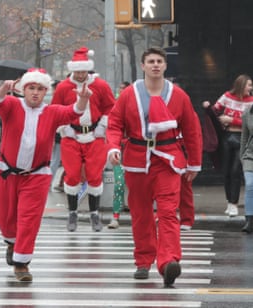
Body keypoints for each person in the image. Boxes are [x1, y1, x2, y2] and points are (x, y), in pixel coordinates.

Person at [107, 47, 202, 287]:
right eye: (151, 61)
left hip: (167, 159)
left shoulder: (179, 95)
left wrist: (194, 163)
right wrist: (113, 147)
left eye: (160, 61)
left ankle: (168, 261)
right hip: (137, 160)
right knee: (141, 214)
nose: (156, 65)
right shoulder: (129, 94)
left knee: (169, 212)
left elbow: (191, 130)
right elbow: (115, 123)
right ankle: (143, 260)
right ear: (143, 65)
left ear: (165, 66)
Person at [0, 68, 90, 282]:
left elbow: (73, 112)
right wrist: (3, 89)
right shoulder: (12, 105)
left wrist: (82, 100)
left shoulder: (52, 112)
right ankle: (11, 242)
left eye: (40, 89)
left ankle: (22, 263)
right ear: (24, 90)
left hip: (37, 175)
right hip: (8, 172)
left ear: (45, 91)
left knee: (29, 219)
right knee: (6, 218)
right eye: (31, 88)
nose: (35, 93)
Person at [51, 46, 115, 232]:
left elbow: (111, 107)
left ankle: (94, 214)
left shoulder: (100, 86)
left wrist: (103, 126)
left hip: (95, 136)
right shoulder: (63, 87)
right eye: (77, 71)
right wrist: (64, 128)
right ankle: (72, 213)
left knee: (95, 176)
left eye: (83, 71)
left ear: (88, 69)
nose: (80, 74)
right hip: (71, 136)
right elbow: (55, 110)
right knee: (71, 176)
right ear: (72, 70)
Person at [203, 74, 253, 217]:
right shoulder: (227, 96)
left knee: (235, 171)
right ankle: (229, 202)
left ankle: (234, 203)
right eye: (249, 85)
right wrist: (207, 107)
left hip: (242, 138)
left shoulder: (251, 101)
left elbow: (250, 123)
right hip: (226, 137)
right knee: (226, 172)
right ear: (241, 85)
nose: (251, 88)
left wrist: (231, 119)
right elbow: (215, 110)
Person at [108, 81, 130, 229]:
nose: (122, 93)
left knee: (140, 187)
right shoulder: (115, 108)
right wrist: (113, 148)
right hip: (120, 151)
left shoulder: (138, 107)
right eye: (120, 90)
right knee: (119, 184)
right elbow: (112, 129)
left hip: (136, 152)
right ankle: (115, 216)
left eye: (125, 90)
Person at [240, 104, 253, 234]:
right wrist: (242, 157)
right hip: (250, 156)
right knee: (250, 185)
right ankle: (249, 220)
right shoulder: (248, 112)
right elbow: (244, 136)